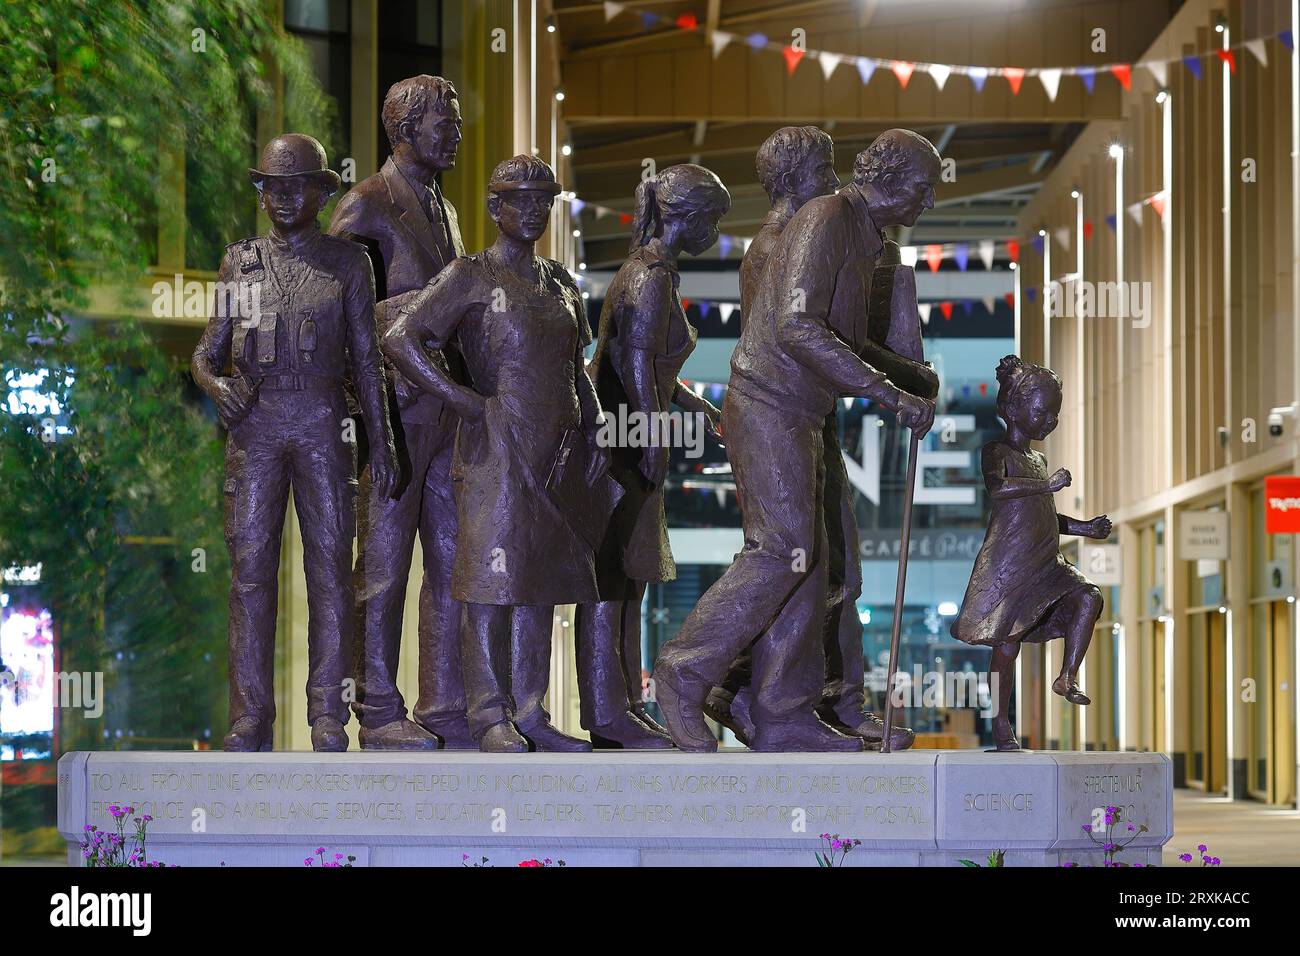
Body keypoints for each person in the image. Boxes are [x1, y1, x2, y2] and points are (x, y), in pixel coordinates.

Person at [652, 129, 939, 753]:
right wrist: (890, 393)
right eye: (922, 187)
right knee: (781, 552)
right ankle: (683, 671)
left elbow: (840, 336)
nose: (928, 202)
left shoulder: (861, 233)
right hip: (769, 404)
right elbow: (797, 326)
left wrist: (902, 377)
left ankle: (783, 710)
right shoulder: (828, 216)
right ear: (889, 178)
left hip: (805, 411)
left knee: (813, 564)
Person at [383, 156, 609, 753]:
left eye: (543, 200)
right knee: (491, 580)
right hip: (496, 450)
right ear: (494, 207)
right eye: (520, 199)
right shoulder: (469, 276)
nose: (533, 210)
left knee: (539, 580)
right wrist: (461, 399)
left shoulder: (560, 282)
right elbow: (400, 338)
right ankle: (487, 715)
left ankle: (531, 711)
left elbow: (574, 368)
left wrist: (595, 424)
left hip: (556, 450)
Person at [192, 133, 399, 752]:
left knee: (331, 572)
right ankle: (250, 716)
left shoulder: (348, 263)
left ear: (320, 191)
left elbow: (367, 362)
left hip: (322, 423)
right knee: (250, 574)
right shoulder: (240, 263)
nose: (283, 197)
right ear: (261, 193)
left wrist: (383, 444)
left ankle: (328, 716)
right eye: (272, 187)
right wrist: (215, 385)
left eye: (296, 185)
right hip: (255, 430)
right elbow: (205, 354)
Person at [327, 75, 472, 751]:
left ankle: (445, 706)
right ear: (406, 129)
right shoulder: (367, 202)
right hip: (394, 415)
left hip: (447, 415)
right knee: (383, 567)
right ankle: (379, 711)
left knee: (450, 562)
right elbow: (332, 316)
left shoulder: (445, 207)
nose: (457, 133)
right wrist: (369, 402)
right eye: (446, 123)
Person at [575, 164, 731, 749]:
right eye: (712, 218)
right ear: (683, 217)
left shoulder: (655, 271)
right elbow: (636, 366)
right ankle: (607, 712)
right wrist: (652, 437)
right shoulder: (648, 276)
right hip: (619, 445)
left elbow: (655, 369)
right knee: (611, 581)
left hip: (630, 431)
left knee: (632, 581)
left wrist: (695, 407)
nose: (715, 229)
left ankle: (626, 704)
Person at [951, 355, 1111, 751]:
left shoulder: (1038, 461)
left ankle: (1067, 676)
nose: (1050, 422)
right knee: (1006, 648)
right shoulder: (997, 452)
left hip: (1046, 563)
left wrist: (1083, 528)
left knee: (1089, 596)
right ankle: (1000, 724)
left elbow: (1044, 517)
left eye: (1054, 414)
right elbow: (999, 491)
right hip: (1009, 565)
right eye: (1043, 412)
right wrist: (1046, 486)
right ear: (1013, 409)